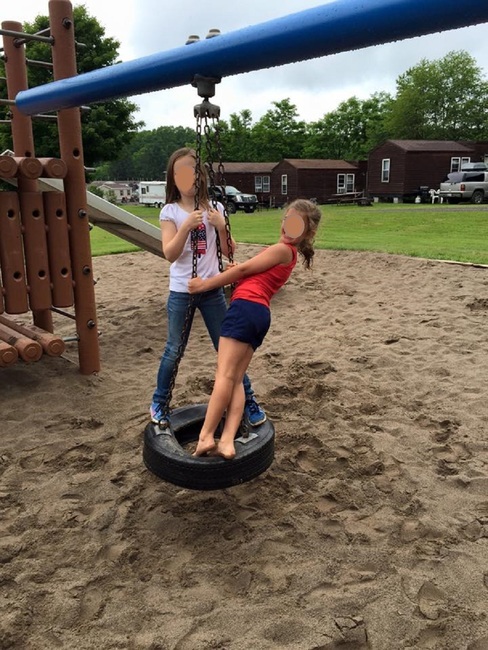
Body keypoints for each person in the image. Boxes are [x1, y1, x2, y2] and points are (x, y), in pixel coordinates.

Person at [188, 198, 322, 459]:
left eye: (297, 224)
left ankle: (205, 436)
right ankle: (227, 440)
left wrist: (206, 285)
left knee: (224, 376)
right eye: (288, 220)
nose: (288, 227)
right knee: (235, 379)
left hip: (245, 309)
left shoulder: (283, 249)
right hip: (258, 313)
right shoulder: (288, 254)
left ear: (307, 232)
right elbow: (253, 273)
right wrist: (241, 270)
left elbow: (246, 270)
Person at [150, 148, 266, 428]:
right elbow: (170, 253)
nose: (185, 177)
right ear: (172, 178)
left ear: (200, 176)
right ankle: (159, 401)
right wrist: (185, 228)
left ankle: (248, 401)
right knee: (174, 349)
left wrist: (221, 228)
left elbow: (228, 251)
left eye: (190, 171)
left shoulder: (217, 209)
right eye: (179, 173)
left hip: (213, 291)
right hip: (182, 291)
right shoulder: (171, 212)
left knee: (229, 350)